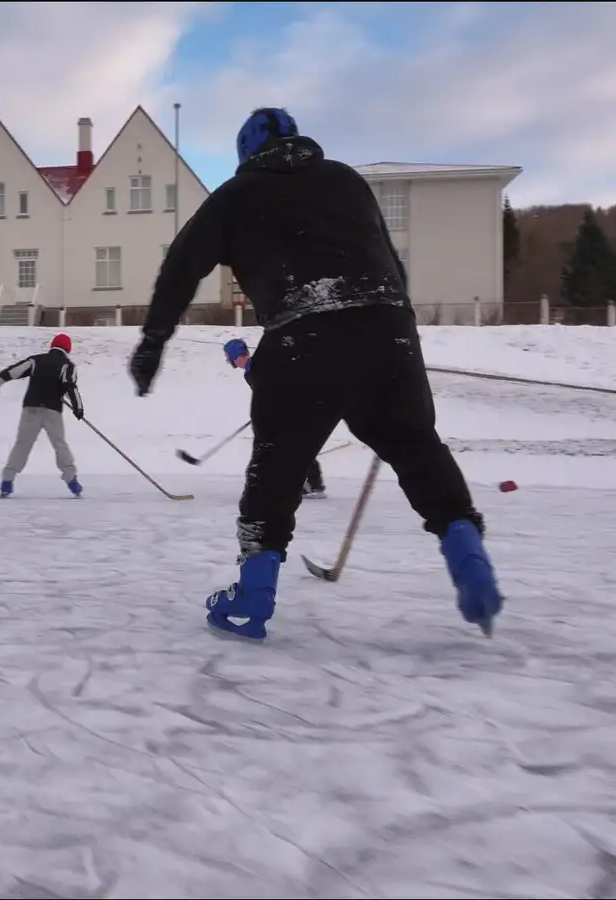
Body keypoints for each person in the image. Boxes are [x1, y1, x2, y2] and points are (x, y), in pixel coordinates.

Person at [127, 106, 502, 641]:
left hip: (305, 335)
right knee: (417, 447)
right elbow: (390, 262)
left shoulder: (238, 195)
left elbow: (182, 264)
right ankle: (465, 545)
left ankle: (254, 592)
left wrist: (153, 340)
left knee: (277, 466)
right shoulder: (346, 180)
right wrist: (396, 334)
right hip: (388, 328)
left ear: (245, 154)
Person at [223, 337, 326, 500]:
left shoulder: (258, 367)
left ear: (235, 356)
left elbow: (281, 384)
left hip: (292, 409)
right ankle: (308, 483)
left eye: (230, 357)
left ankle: (313, 484)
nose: (230, 362)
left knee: (295, 446)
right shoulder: (252, 370)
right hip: (284, 410)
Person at [0, 332, 85, 498]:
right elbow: (71, 387)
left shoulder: (36, 360)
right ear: (68, 348)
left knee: (22, 444)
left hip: (31, 409)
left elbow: (13, 372)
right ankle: (72, 480)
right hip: (52, 411)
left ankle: (7, 481)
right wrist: (78, 407)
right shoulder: (67, 365)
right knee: (59, 444)